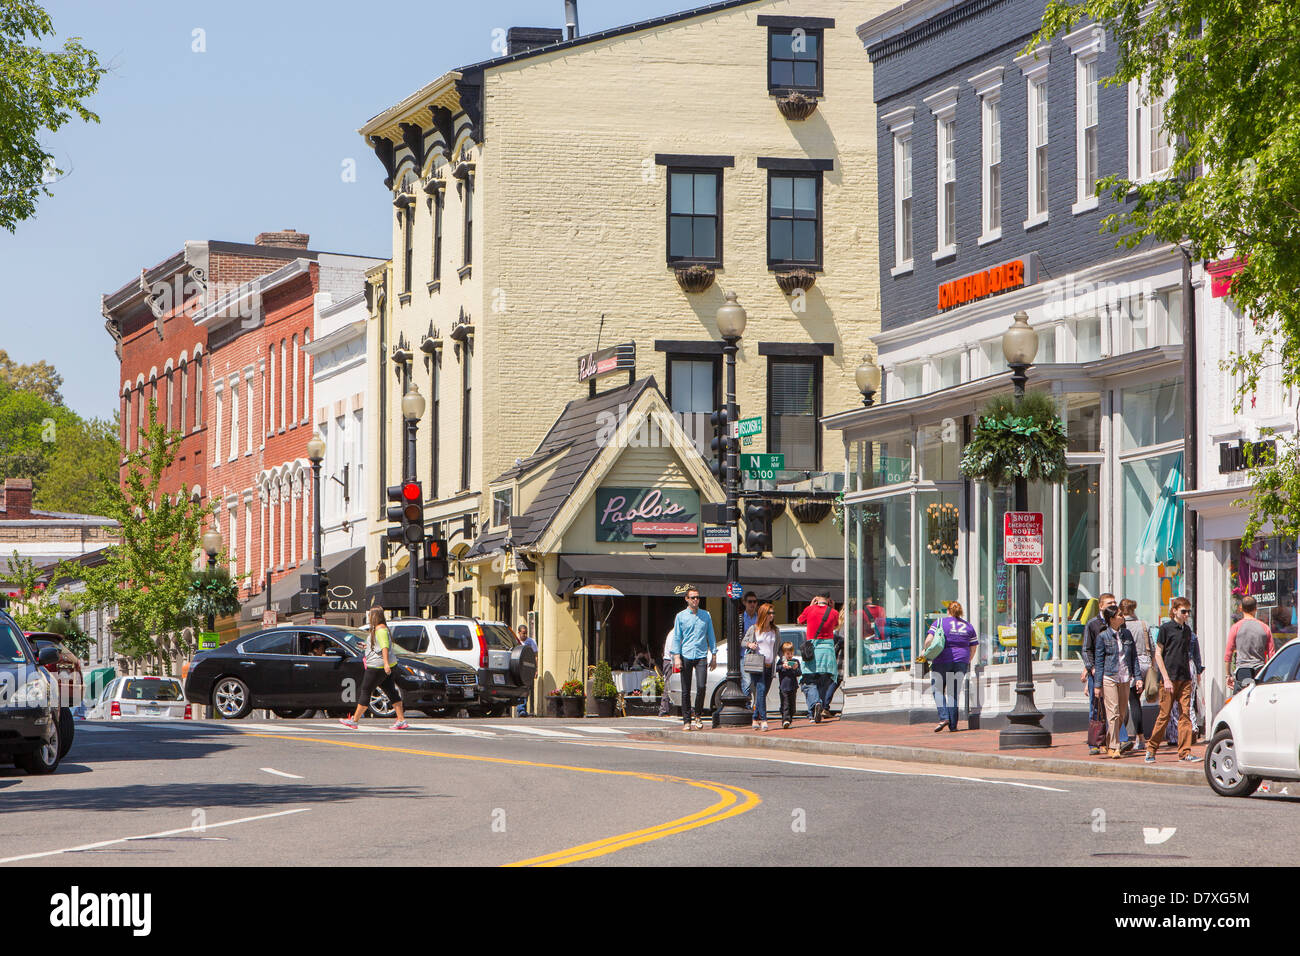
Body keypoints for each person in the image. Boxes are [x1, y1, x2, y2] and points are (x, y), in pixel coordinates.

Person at [1145, 597, 1197, 764]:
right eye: (1183, 611)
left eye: (1188, 612)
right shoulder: (1166, 629)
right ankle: (1151, 749)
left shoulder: (1187, 630)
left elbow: (1188, 654)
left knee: (1185, 715)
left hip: (1185, 678)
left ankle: (1185, 752)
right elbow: (1158, 654)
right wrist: (1165, 678)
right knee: (1164, 716)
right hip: (1169, 678)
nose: (1186, 615)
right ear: (1174, 611)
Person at [339, 607, 408, 730]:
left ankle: (354, 720)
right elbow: (379, 646)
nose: (369, 617)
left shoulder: (380, 630)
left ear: (374, 616)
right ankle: (401, 720)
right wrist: (367, 646)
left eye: (371, 615)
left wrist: (386, 663)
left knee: (366, 691)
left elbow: (384, 647)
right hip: (385, 665)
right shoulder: (381, 629)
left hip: (377, 666)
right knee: (391, 691)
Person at [1094, 607, 1141, 758]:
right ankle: (1114, 747)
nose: (1123, 617)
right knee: (1113, 712)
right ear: (1112, 619)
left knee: (1121, 714)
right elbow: (1099, 662)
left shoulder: (1126, 634)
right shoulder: (1103, 637)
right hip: (1109, 677)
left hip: (1125, 677)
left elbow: (1133, 657)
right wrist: (1097, 685)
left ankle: (1108, 741)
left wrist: (1138, 677)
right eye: (1120, 615)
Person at [926, 602, 979, 733]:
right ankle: (953, 725)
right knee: (953, 693)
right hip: (961, 661)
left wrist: (925, 650)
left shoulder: (939, 622)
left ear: (948, 611)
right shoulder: (968, 626)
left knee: (937, 689)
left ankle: (944, 718)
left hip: (942, 660)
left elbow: (929, 640)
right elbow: (973, 648)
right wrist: (966, 661)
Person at [670, 585, 716, 731]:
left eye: (697, 597)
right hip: (686, 654)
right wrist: (676, 656)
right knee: (686, 689)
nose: (695, 600)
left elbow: (711, 635)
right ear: (687, 599)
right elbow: (677, 637)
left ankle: (698, 715)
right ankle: (686, 720)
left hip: (701, 654)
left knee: (701, 686)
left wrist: (713, 654)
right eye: (693, 598)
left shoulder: (706, 615)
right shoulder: (680, 616)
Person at [1081, 593, 1118, 755]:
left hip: (1113, 672)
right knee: (1096, 707)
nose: (1113, 604)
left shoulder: (1117, 622)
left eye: (1115, 602)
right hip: (1097, 671)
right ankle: (1095, 743)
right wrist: (1091, 668)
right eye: (1109, 603)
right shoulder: (1092, 624)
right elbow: (1086, 649)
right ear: (1101, 606)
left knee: (1113, 707)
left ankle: (1113, 741)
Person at [797, 591, 839, 722]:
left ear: (816, 598)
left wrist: (810, 605)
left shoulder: (810, 609)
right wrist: (832, 608)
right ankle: (817, 709)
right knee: (823, 681)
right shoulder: (833, 613)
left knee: (809, 680)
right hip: (828, 652)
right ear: (829, 599)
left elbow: (799, 621)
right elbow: (836, 625)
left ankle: (816, 704)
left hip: (813, 651)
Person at [1119, 598, 1152, 753]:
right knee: (1135, 700)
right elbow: (1151, 646)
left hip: (1132, 665)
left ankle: (1138, 737)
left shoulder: (1121, 626)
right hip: (1146, 663)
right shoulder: (1143, 625)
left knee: (1132, 701)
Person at [742, 601, 778, 732]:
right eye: (769, 613)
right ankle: (764, 719)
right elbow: (743, 642)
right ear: (764, 614)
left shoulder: (775, 630)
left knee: (762, 693)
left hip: (769, 665)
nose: (772, 615)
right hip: (757, 664)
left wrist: (785, 657)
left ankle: (754, 717)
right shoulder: (754, 629)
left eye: (773, 613)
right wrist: (750, 645)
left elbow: (777, 648)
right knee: (761, 690)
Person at [1226, 595, 1274, 691]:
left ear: (1241, 608)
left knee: (1242, 701)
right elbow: (1271, 654)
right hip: (1260, 671)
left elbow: (1228, 653)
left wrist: (1228, 675)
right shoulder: (1265, 628)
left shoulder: (1236, 627)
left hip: (1243, 671)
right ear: (1256, 609)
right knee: (1259, 700)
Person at [775, 641, 801, 729]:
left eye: (791, 653)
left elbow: (799, 673)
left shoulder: (795, 661)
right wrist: (783, 666)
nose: (789, 655)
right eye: (787, 653)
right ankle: (785, 719)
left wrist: (795, 668)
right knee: (785, 704)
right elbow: (776, 669)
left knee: (792, 706)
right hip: (783, 687)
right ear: (783, 654)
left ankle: (789, 719)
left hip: (793, 686)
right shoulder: (781, 662)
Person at [740, 592, 759, 702]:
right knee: (746, 682)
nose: (752, 604)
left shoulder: (760, 618)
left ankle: (755, 708)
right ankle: (746, 706)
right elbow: (737, 637)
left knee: (756, 683)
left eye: (754, 602)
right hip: (744, 655)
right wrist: (748, 644)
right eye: (750, 602)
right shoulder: (741, 618)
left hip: (757, 656)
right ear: (744, 603)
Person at [515, 624, 538, 717]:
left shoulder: (531, 642)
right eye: (523, 633)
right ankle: (521, 708)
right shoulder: (516, 642)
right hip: (517, 668)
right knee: (520, 688)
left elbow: (535, 656)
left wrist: (535, 669)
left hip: (528, 669)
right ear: (519, 632)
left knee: (526, 688)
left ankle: (523, 709)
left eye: (526, 633)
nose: (524, 635)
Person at [658, 627, 675, 718]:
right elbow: (672, 650)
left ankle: (664, 710)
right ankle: (664, 710)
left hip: (671, 661)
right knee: (668, 686)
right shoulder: (674, 634)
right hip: (670, 661)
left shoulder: (673, 632)